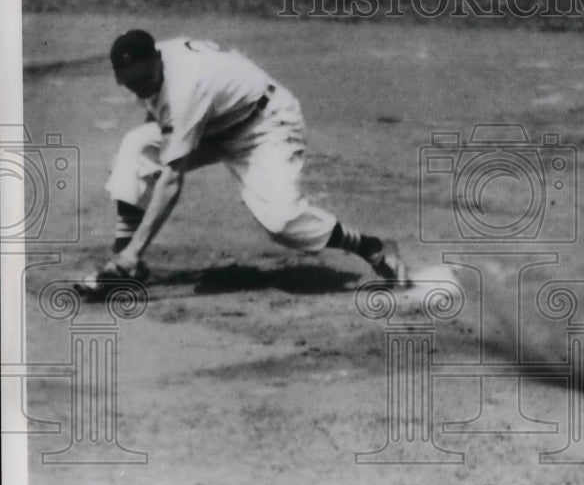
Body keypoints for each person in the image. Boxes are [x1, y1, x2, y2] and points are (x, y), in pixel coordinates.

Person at [76, 30, 410, 297]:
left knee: (281, 220)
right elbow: (159, 110)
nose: (139, 87)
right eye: (130, 82)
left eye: (143, 78)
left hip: (264, 126)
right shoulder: (155, 61)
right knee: (135, 148)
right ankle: (123, 267)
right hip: (214, 123)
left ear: (156, 60)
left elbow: (172, 180)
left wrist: (136, 249)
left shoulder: (184, 87)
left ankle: (371, 247)